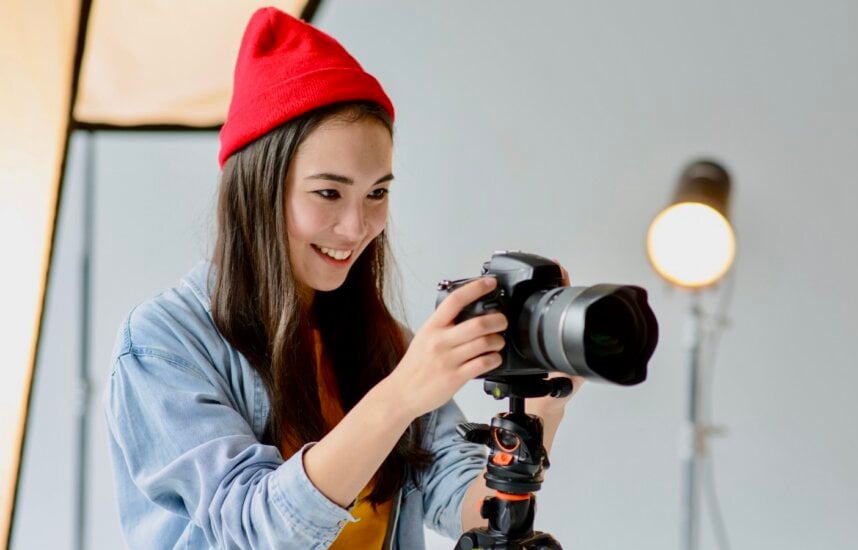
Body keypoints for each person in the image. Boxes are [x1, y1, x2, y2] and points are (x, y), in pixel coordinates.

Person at [104, 7, 581, 549]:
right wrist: (400, 396)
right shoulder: (162, 345)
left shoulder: (383, 343)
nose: (358, 227)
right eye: (328, 192)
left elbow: (469, 507)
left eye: (377, 193)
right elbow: (259, 530)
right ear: (258, 192)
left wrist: (545, 399)